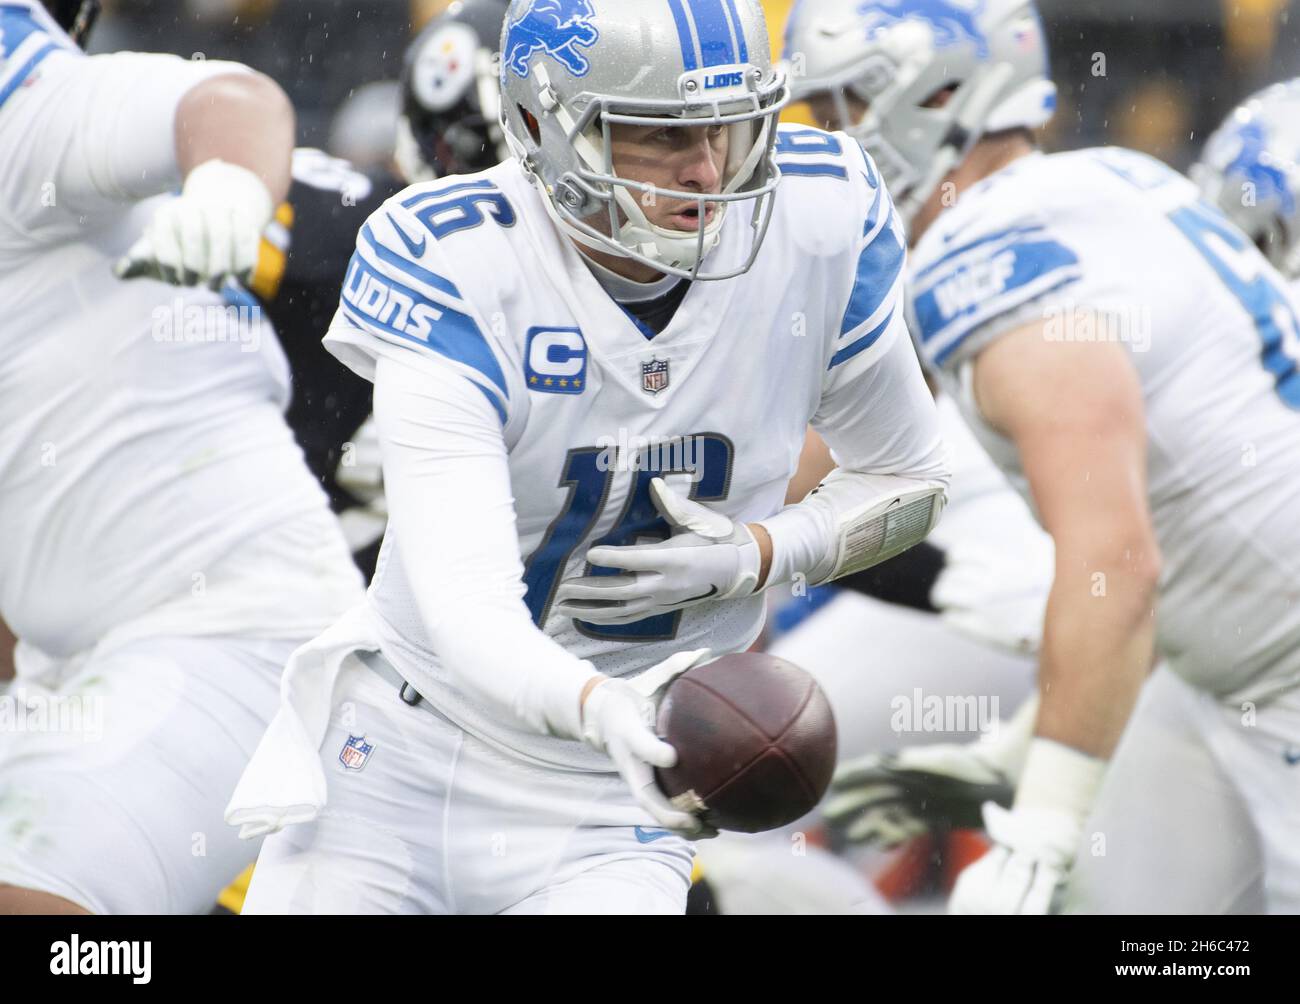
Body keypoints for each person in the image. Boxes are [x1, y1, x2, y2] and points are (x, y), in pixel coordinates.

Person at [226, 0, 949, 915]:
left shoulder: (818, 215)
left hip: (618, 797)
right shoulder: (454, 257)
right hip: (403, 754)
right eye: (656, 133)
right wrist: (603, 706)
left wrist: (762, 555)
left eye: (729, 124)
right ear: (537, 126)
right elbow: (467, 608)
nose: (707, 169)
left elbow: (914, 475)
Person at [786, 0, 1300, 913]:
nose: (825, 146)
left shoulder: (981, 256)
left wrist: (1045, 823)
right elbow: (1191, 520)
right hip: (1239, 666)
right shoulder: (1106, 184)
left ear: (934, 95)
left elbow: (1121, 562)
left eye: (841, 114)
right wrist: (1026, 746)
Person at [0, 1, 362, 914]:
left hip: (228, 625)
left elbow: (231, 98)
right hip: (67, 653)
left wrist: (229, 196)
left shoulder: (27, 124)